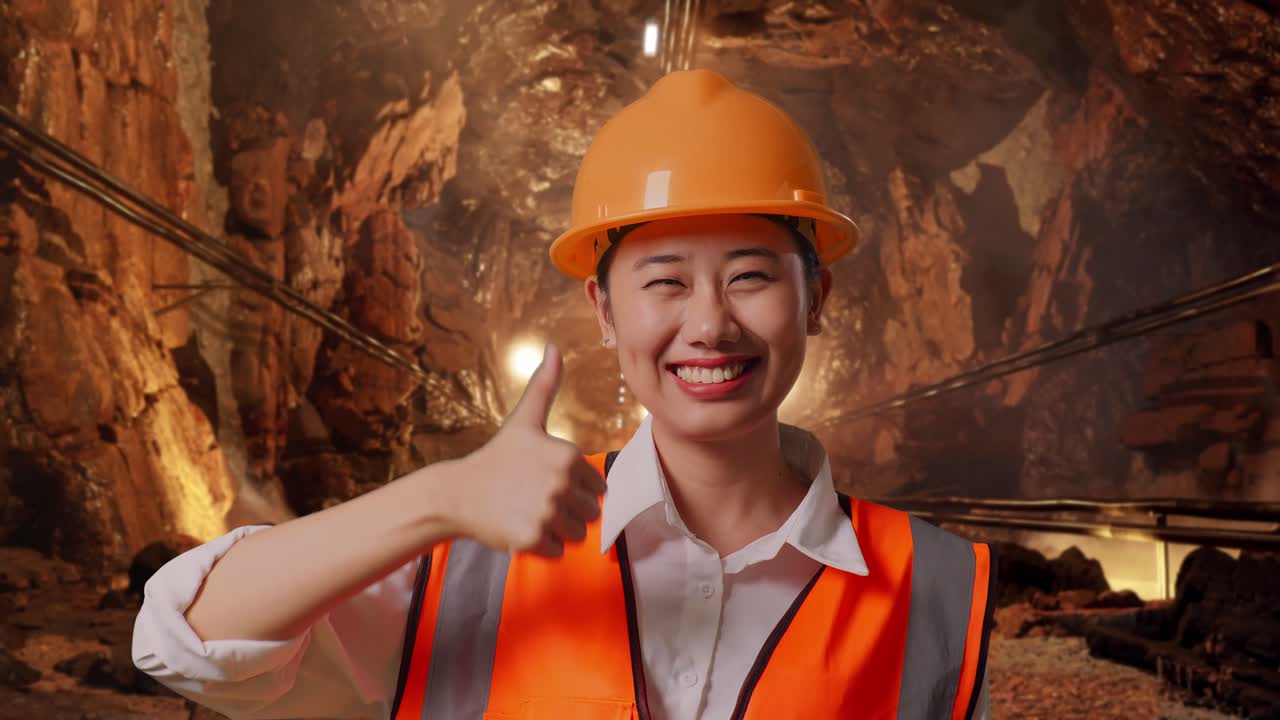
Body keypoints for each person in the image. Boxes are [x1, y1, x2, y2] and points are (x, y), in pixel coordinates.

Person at [133, 69, 995, 720]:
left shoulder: (940, 589)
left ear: (818, 300)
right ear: (604, 311)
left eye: (750, 276)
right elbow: (182, 641)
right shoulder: (474, 555)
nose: (709, 325)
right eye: (664, 282)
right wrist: (441, 496)